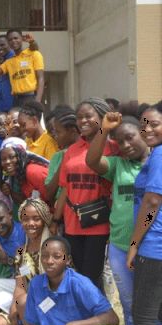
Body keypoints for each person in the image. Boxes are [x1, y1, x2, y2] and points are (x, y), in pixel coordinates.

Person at [85, 111, 155, 325]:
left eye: (130, 138)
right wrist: (103, 129)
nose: (126, 145)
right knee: (131, 308)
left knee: (154, 309)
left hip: (152, 249)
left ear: (143, 134)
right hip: (119, 247)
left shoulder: (157, 163)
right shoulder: (118, 165)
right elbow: (92, 161)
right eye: (120, 142)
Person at [25, 237, 119, 325]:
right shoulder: (36, 284)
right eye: (45, 256)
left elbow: (112, 318)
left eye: (56, 256)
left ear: (68, 260)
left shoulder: (80, 283)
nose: (49, 261)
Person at [54, 97, 117, 289]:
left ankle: (97, 316)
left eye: (88, 116)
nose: (83, 121)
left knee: (92, 276)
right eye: (79, 117)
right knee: (80, 275)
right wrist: (56, 219)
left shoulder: (113, 147)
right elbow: (66, 187)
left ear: (102, 116)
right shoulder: (71, 150)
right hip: (73, 223)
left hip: (99, 224)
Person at [0, 198, 52, 325]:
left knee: (25, 307)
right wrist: (13, 311)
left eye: (36, 219)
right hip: (27, 305)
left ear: (44, 219)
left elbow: (63, 289)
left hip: (53, 304)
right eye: (25, 219)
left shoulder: (55, 247)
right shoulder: (21, 252)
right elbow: (20, 286)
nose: (30, 223)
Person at [127, 102, 162, 325]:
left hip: (153, 248)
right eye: (144, 124)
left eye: (155, 124)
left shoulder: (160, 155)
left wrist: (135, 243)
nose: (148, 129)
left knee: (144, 316)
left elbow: (152, 202)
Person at [0, 30, 44, 106]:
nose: (13, 41)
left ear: (22, 39)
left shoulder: (34, 54)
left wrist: (38, 101)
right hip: (16, 100)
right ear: (8, 43)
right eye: (10, 40)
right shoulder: (9, 62)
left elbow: (41, 78)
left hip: (31, 97)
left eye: (16, 38)